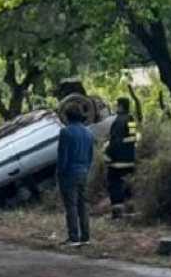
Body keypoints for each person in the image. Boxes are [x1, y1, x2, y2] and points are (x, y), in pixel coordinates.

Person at [57, 106, 95, 246]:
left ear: (67, 118)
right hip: (83, 171)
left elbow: (63, 157)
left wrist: (60, 174)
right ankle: (86, 236)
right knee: (83, 205)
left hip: (69, 173)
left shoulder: (65, 132)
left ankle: (73, 237)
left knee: (71, 206)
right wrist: (86, 168)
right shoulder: (89, 133)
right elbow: (91, 155)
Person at [104, 97, 138, 219]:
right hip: (130, 160)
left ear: (121, 106)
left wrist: (107, 154)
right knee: (128, 184)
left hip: (116, 161)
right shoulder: (131, 119)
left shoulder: (117, 121)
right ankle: (130, 211)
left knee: (114, 184)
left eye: (116, 105)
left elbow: (114, 141)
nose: (115, 107)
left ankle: (117, 214)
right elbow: (133, 138)